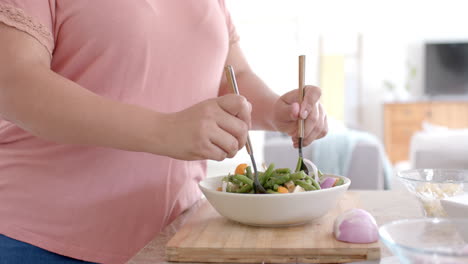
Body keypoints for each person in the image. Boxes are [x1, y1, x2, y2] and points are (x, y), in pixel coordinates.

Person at [0, 1, 327, 263]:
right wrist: (165, 130)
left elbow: (232, 73)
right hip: (43, 242)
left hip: (174, 236)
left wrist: (276, 112)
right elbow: (14, 84)